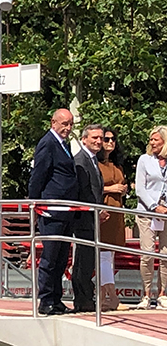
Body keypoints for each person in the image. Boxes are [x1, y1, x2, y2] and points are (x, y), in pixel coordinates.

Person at [28, 108, 78, 315]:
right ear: (53, 122)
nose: (67, 128)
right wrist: (35, 202)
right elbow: (38, 174)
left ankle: (56, 299)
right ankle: (46, 300)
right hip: (52, 210)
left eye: (70, 124)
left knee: (60, 258)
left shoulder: (63, 144)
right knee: (50, 257)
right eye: (64, 123)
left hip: (65, 210)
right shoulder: (47, 143)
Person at [71, 124, 107, 312]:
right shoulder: (81, 160)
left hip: (92, 216)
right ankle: (83, 300)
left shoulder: (92, 160)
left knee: (87, 259)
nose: (99, 141)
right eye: (94, 137)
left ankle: (85, 298)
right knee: (83, 261)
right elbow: (83, 191)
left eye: (101, 138)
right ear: (84, 139)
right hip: (84, 217)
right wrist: (94, 210)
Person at [134, 125, 167, 309]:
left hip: (166, 214)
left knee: (165, 255)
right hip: (147, 212)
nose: (152, 142)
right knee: (147, 254)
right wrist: (155, 207)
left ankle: (162, 294)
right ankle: (146, 295)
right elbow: (140, 189)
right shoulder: (144, 160)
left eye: (156, 139)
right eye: (151, 139)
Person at [97, 128, 127, 311]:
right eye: (106, 139)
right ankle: (113, 296)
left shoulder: (117, 165)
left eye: (113, 139)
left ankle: (102, 297)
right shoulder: (96, 164)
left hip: (117, 212)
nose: (110, 142)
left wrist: (121, 189)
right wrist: (111, 189)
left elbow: (120, 184)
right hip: (104, 211)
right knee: (104, 255)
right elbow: (91, 187)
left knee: (110, 256)